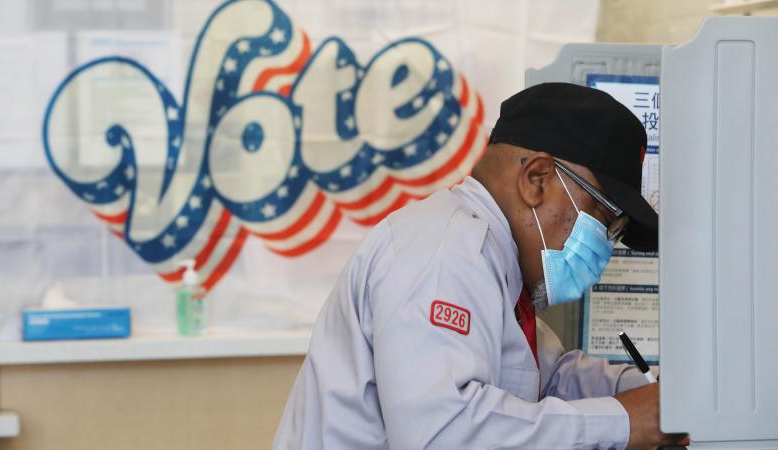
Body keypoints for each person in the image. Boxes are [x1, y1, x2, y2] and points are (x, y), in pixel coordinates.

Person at [273, 83, 690, 449]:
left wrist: (648, 394)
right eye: (601, 216)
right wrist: (623, 422)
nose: (605, 243)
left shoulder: (494, 260)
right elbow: (444, 433)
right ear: (537, 179)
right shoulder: (446, 250)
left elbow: (547, 378)